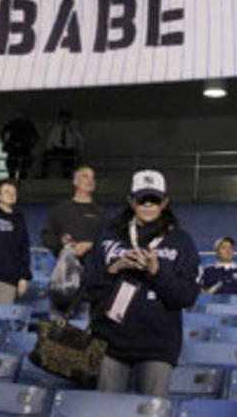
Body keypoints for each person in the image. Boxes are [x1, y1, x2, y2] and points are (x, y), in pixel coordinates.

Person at [83, 170, 198, 397]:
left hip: (157, 346)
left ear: (164, 202)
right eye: (141, 199)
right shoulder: (108, 235)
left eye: (154, 199)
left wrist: (156, 272)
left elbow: (186, 296)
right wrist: (114, 268)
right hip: (109, 344)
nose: (147, 205)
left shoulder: (181, 241)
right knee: (106, 412)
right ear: (130, 200)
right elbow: (87, 287)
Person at [40, 165, 104, 259]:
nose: (90, 180)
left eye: (93, 178)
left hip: (94, 268)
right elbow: (47, 236)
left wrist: (90, 245)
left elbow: (109, 240)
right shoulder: (60, 210)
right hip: (66, 267)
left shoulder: (102, 213)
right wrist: (61, 241)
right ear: (75, 181)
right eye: (85, 176)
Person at [40, 109, 84, 178]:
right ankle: (43, 175)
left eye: (66, 118)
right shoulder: (56, 128)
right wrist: (48, 148)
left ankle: (67, 176)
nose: (64, 120)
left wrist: (80, 149)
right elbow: (50, 139)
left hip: (69, 149)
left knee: (68, 161)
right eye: (63, 118)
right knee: (46, 157)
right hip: (58, 149)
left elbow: (80, 139)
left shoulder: (73, 128)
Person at [1, 109, 39, 179]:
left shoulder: (29, 125)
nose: (22, 117)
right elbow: (4, 131)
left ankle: (20, 177)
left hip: (24, 148)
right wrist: (6, 141)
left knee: (24, 166)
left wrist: (31, 145)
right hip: (15, 147)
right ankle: (13, 177)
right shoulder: (14, 123)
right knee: (12, 165)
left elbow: (36, 136)